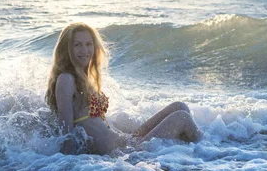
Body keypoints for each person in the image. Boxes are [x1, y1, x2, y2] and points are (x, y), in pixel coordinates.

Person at [45, 22, 202, 155]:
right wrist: (64, 165)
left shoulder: (85, 79)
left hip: (127, 141)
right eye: (77, 45)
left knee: (180, 106)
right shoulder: (66, 79)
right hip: (127, 152)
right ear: (67, 49)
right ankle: (209, 152)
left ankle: (192, 154)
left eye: (88, 44)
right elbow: (66, 131)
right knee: (182, 117)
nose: (84, 50)